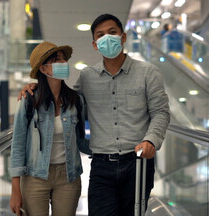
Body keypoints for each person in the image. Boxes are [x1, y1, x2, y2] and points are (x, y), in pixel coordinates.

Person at [19, 13, 170, 216]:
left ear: (123, 37)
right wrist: (36, 86)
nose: (107, 38)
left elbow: (160, 112)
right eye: (100, 35)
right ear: (95, 44)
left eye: (112, 32)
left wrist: (151, 141)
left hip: (137, 163)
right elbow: (67, 101)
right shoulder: (87, 77)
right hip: (101, 166)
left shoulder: (148, 73)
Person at [9, 41, 91, 216]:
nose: (63, 63)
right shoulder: (29, 100)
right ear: (43, 69)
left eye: (63, 59)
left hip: (68, 176)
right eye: (56, 60)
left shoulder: (75, 100)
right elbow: (17, 146)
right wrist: (15, 190)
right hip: (35, 177)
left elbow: (81, 140)